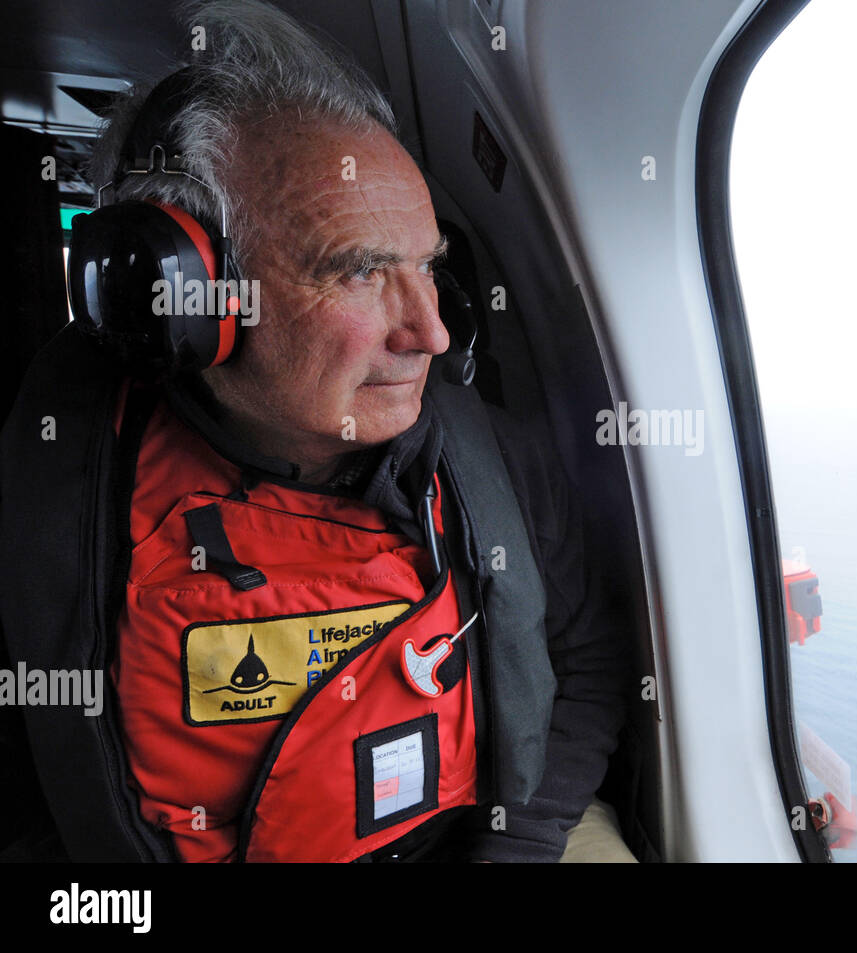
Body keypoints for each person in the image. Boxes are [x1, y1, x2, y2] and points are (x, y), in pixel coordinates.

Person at [0, 0, 630, 862]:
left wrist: (516, 841)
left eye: (429, 268)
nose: (433, 334)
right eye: (362, 271)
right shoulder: (56, 485)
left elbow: (585, 654)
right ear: (185, 297)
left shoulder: (496, 462)